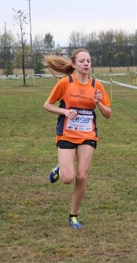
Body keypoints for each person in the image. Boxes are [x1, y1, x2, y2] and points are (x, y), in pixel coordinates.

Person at [43, 48, 112, 229]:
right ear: (74, 64)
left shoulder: (97, 85)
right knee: (68, 178)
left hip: (88, 135)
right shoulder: (66, 83)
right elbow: (47, 105)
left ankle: (73, 215)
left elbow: (108, 114)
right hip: (66, 133)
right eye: (82, 61)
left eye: (88, 61)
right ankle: (61, 168)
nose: (86, 64)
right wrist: (65, 111)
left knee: (81, 177)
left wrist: (97, 102)